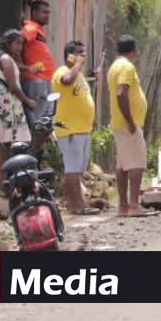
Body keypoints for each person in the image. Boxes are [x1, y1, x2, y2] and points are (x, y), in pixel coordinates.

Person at [108, 35, 152, 217]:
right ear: (133, 50)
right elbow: (121, 93)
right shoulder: (126, 67)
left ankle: (123, 206)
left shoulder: (114, 66)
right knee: (136, 163)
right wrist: (130, 121)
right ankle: (134, 205)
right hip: (128, 124)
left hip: (119, 122)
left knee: (122, 164)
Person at [53, 40, 97, 215]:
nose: (83, 56)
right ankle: (76, 205)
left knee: (77, 169)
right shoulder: (63, 71)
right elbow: (66, 81)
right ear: (69, 55)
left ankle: (76, 203)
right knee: (72, 168)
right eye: (79, 53)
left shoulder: (78, 75)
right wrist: (78, 64)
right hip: (70, 129)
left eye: (83, 53)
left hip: (82, 128)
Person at [0, 30, 33, 185]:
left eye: (21, 44)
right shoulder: (6, 59)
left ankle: (6, 183)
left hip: (9, 105)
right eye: (17, 43)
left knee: (7, 145)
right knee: (3, 145)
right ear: (8, 44)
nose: (20, 47)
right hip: (6, 106)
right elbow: (13, 86)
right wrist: (27, 101)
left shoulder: (8, 59)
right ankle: (2, 184)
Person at [21, 0, 57, 139]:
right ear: (34, 13)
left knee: (44, 122)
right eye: (44, 12)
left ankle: (39, 148)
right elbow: (17, 40)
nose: (47, 15)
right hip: (35, 81)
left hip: (44, 80)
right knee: (37, 123)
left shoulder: (38, 30)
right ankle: (33, 149)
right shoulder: (31, 28)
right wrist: (23, 66)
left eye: (48, 13)